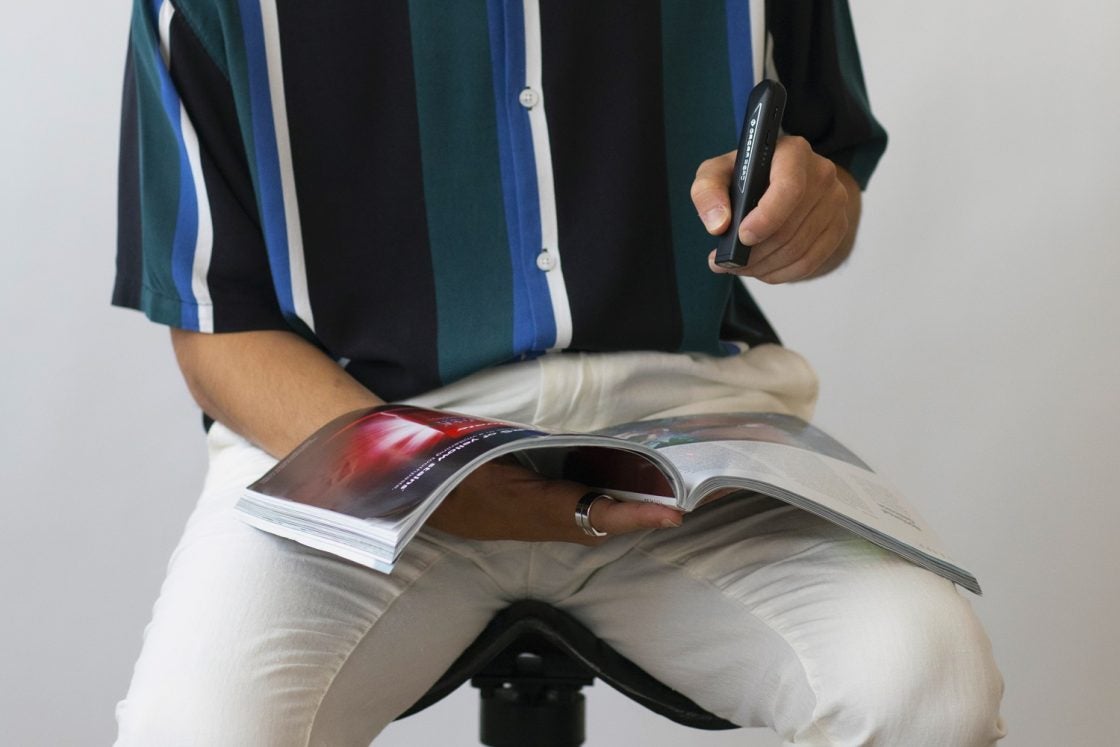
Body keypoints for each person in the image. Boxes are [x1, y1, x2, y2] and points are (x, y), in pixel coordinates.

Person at [112, 1, 1006, 744]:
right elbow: (216, 325)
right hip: (355, 447)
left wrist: (812, 211)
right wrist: (445, 489)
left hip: (687, 449)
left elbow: (830, 179)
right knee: (191, 729)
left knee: (927, 690)